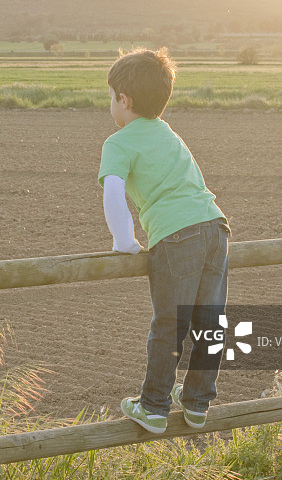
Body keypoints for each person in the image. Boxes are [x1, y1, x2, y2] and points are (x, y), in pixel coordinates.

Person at [97, 47, 231, 434]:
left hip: (176, 236)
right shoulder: (168, 132)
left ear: (124, 100)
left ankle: (153, 407)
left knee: (170, 324)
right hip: (215, 227)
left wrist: (124, 241)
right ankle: (197, 404)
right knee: (210, 321)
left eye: (110, 97)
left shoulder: (118, 143)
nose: (110, 105)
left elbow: (113, 192)